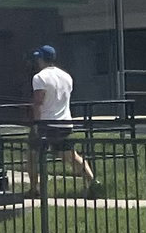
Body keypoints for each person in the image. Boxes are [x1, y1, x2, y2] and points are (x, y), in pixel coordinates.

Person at [29, 45, 97, 188]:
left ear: (41, 59)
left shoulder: (39, 77)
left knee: (32, 155)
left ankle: (35, 188)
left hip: (46, 124)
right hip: (65, 122)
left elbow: (38, 102)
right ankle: (92, 181)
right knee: (71, 156)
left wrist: (36, 124)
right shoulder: (66, 76)